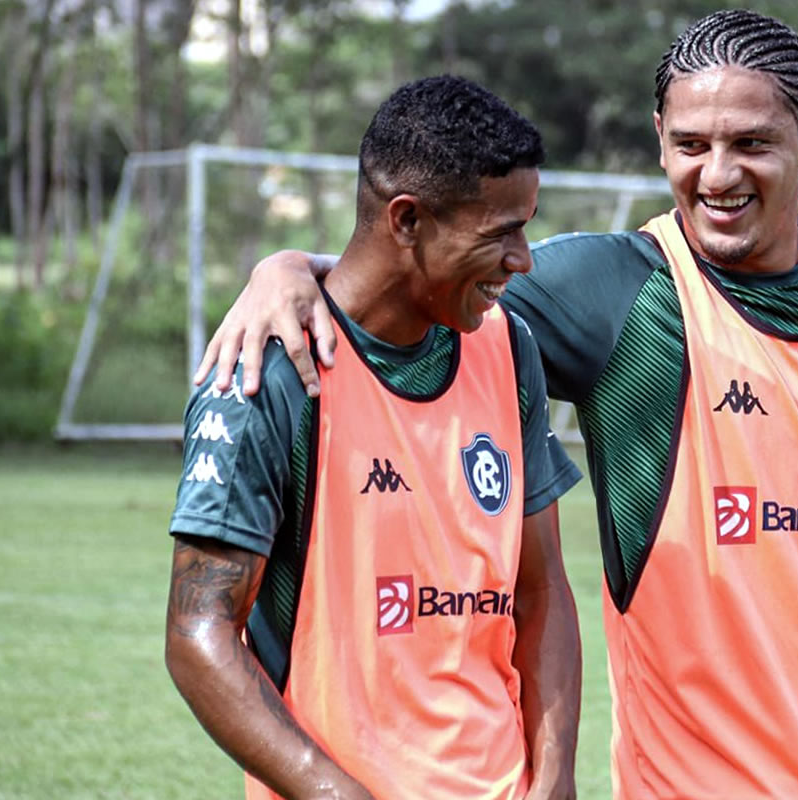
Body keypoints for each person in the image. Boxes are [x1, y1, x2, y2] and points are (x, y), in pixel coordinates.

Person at [196, 10, 798, 800]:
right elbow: (417, 276)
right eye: (691, 143)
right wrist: (289, 269)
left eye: (751, 143)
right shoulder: (614, 291)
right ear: (659, 140)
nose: (718, 173)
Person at [165, 75, 584, 800]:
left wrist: (554, 779)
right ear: (407, 220)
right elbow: (199, 636)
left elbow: (539, 589)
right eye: (499, 233)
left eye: (526, 226)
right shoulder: (269, 374)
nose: (523, 258)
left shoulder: (507, 347)